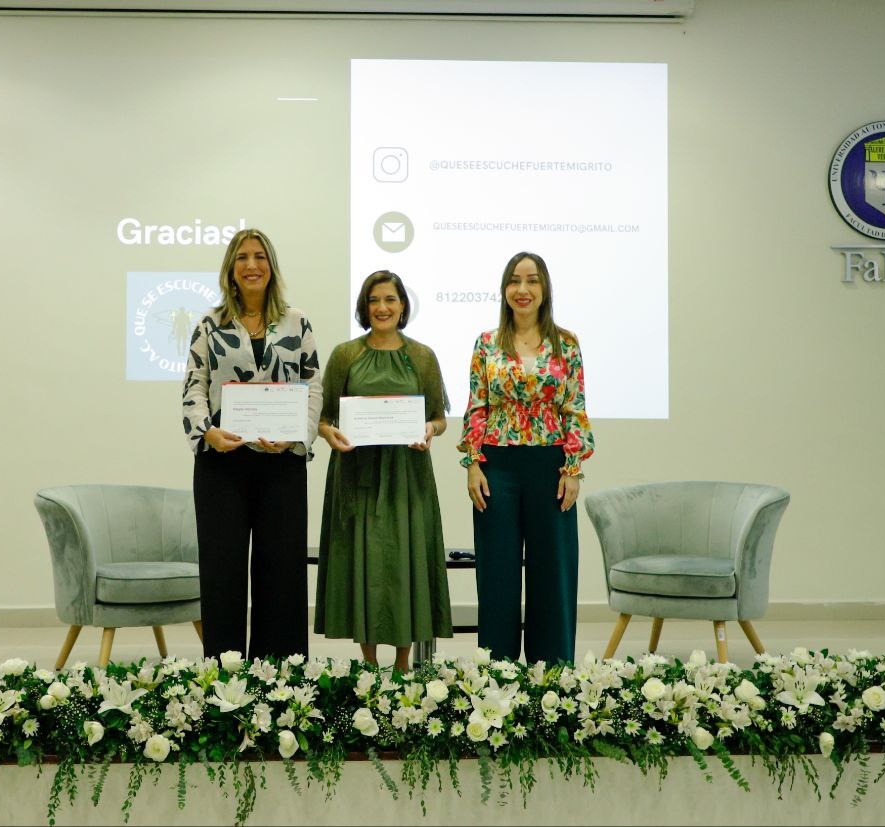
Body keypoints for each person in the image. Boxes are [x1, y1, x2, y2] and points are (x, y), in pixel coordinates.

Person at [182, 228, 322, 661]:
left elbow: (313, 386)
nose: (251, 264)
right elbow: (194, 386)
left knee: (280, 573)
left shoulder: (296, 321)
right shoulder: (209, 324)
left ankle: (281, 681)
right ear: (231, 269)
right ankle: (224, 679)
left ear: (271, 266)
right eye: (242, 257)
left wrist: (297, 433)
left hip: (280, 464)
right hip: (222, 464)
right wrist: (207, 432)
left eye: (259, 256)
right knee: (222, 574)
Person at [458, 251, 594, 665]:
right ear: (504, 289)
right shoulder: (486, 343)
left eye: (532, 280)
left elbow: (575, 407)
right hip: (498, 465)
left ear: (545, 288)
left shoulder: (566, 343)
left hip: (551, 466)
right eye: (515, 281)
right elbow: (477, 406)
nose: (523, 289)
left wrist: (572, 469)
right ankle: (494, 673)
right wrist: (473, 465)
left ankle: (551, 674)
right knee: (497, 573)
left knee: (551, 572)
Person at [315, 270, 453, 673]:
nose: (382, 307)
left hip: (407, 475)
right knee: (365, 564)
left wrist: (430, 430)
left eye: (390, 299)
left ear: (403, 306)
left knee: (404, 562)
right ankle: (370, 665)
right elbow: (324, 419)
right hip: (356, 475)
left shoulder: (423, 356)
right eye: (374, 300)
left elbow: (438, 418)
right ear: (364, 306)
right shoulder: (345, 354)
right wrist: (329, 434)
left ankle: (405, 665)